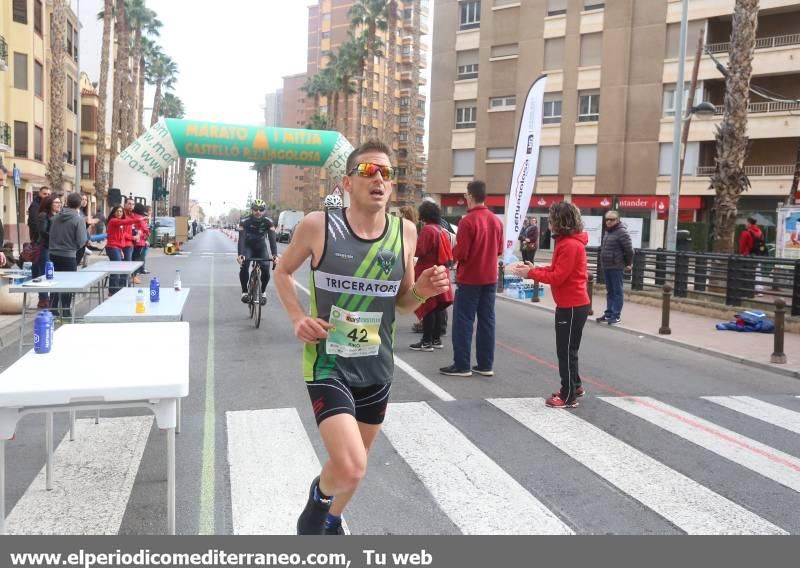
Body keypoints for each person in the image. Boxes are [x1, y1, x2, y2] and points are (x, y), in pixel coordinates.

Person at [274, 140, 450, 535]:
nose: (379, 180)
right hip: (329, 364)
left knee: (355, 466)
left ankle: (332, 520)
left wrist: (422, 288)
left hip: (377, 368)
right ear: (347, 182)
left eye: (385, 173)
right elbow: (282, 272)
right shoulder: (319, 226)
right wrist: (297, 317)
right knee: (351, 466)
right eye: (369, 171)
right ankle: (319, 501)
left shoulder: (405, 232)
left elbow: (403, 303)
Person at [511, 202, 590, 408]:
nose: (549, 223)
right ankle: (575, 385)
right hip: (571, 303)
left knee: (565, 351)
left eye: (552, 219)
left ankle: (568, 395)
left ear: (561, 221)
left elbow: (558, 277)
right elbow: (556, 269)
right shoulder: (567, 242)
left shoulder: (570, 245)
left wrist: (531, 273)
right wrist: (535, 268)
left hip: (571, 305)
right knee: (569, 349)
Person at [439, 180, 503, 378]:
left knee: (464, 321)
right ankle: (485, 364)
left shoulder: (467, 221)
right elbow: (499, 249)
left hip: (470, 278)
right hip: (490, 277)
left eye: (466, 195)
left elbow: (461, 252)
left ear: (471, 195)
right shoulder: (496, 220)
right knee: (487, 320)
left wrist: (453, 247)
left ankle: (462, 364)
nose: (465, 198)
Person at [410, 200, 454, 351]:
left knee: (428, 307)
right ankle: (436, 339)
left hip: (428, 272)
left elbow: (420, 251)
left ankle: (426, 340)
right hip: (441, 271)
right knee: (437, 308)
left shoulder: (428, 230)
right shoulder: (440, 228)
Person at [48, 192, 88, 319]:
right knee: (68, 283)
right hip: (69, 255)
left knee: (55, 282)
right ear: (79, 204)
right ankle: (65, 310)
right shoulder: (78, 219)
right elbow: (82, 240)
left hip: (53, 254)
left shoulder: (54, 218)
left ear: (66, 202)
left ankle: (53, 309)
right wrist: (74, 247)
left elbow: (51, 235)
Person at [237, 198, 279, 305]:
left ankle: (263, 291)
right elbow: (241, 239)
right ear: (252, 210)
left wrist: (275, 255)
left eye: (261, 209)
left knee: (266, 269)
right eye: (255, 209)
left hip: (261, 247)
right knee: (245, 265)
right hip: (248, 246)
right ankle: (244, 292)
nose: (258, 212)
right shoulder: (244, 221)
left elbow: (272, 239)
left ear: (264, 210)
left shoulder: (268, 222)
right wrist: (240, 254)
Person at [596, 211, 633, 325]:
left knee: (617, 291)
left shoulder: (622, 232)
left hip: (616, 266)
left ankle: (616, 315)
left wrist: (628, 263)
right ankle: (609, 313)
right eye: (607, 219)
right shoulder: (608, 232)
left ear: (617, 220)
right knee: (610, 291)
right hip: (607, 265)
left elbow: (629, 250)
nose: (608, 221)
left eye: (611, 219)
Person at [35, 194, 62, 308]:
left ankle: (51, 298)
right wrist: (56, 237)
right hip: (45, 247)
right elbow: (43, 232)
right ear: (49, 204)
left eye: (59, 202)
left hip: (56, 248)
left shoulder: (59, 215)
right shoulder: (44, 215)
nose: (58, 204)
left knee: (53, 274)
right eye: (55, 202)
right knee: (44, 274)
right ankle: (43, 299)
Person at [106, 206, 139, 295]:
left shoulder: (120, 224)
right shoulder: (114, 220)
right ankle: (114, 291)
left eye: (121, 211)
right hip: (112, 247)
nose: (119, 213)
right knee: (117, 269)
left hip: (117, 248)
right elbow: (126, 222)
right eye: (117, 211)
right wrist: (139, 220)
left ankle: (116, 289)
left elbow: (122, 237)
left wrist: (121, 249)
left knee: (118, 269)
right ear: (113, 212)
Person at [131, 203, 150, 284]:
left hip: (131, 241)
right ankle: (134, 277)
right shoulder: (140, 218)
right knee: (136, 260)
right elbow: (145, 229)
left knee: (131, 259)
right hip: (139, 242)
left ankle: (131, 276)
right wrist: (148, 233)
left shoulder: (131, 216)